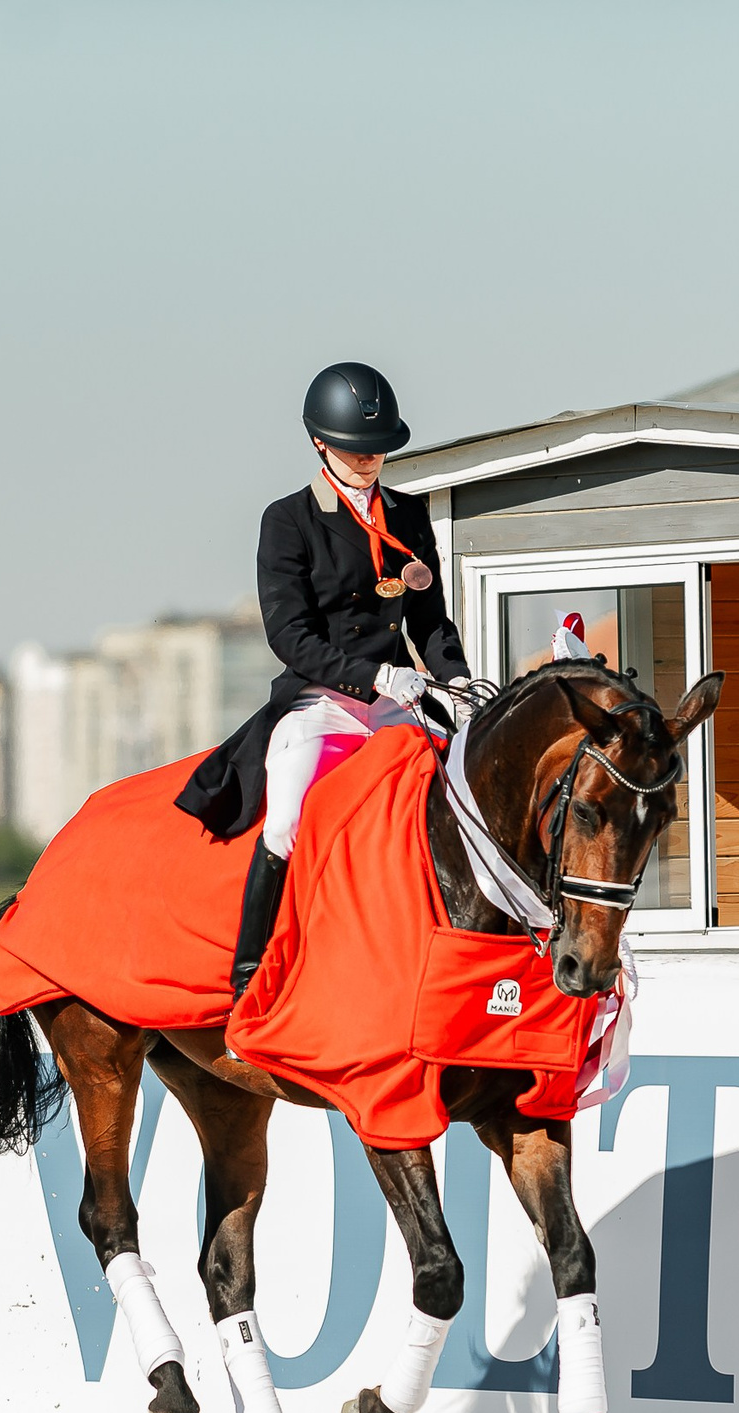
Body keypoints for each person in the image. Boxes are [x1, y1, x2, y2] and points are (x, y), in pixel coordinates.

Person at [175, 361, 476, 996]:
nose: (368, 462)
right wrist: (374, 677)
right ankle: (251, 976)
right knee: (285, 818)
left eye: (378, 451)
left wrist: (461, 684)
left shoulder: (409, 515)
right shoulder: (289, 521)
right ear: (320, 443)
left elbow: (431, 623)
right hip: (325, 702)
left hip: (402, 702)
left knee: (467, 793)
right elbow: (291, 637)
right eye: (354, 450)